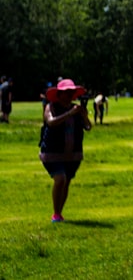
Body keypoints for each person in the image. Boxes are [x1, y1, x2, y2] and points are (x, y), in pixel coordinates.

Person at [39, 78, 92, 223]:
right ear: (59, 94)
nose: (69, 95)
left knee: (66, 181)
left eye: (72, 92)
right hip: (52, 153)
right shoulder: (51, 107)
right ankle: (55, 213)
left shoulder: (77, 109)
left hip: (72, 153)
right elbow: (51, 122)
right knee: (60, 178)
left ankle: (59, 213)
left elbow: (88, 127)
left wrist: (83, 115)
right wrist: (70, 113)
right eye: (66, 92)